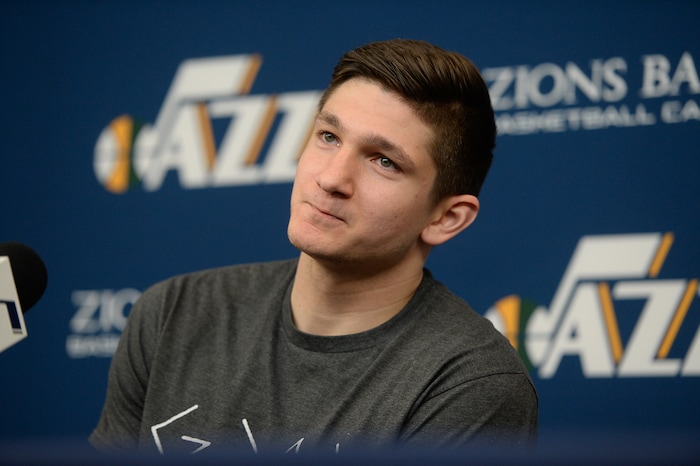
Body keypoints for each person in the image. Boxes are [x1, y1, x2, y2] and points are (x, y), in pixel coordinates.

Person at [89, 38, 538, 455]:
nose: (331, 178)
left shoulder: (470, 384)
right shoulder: (171, 314)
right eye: (328, 137)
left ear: (446, 217)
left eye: (384, 162)